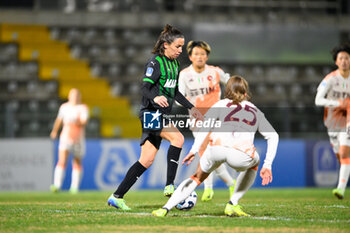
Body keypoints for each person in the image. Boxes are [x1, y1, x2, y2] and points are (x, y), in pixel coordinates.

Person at [152, 75, 279, 217]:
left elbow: (204, 128)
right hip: (240, 154)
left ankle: (165, 208)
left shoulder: (220, 104)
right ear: (245, 93)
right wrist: (268, 165)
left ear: (227, 91)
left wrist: (194, 150)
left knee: (196, 178)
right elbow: (273, 136)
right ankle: (233, 203)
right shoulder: (254, 109)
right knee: (255, 162)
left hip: (215, 150)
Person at [107, 24, 203, 210]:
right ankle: (169, 185)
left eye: (182, 47)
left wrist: (192, 108)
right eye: (177, 46)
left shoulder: (175, 64)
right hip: (150, 113)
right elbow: (144, 87)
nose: (180, 50)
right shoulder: (155, 62)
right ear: (166, 45)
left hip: (160, 113)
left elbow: (174, 92)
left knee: (147, 159)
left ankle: (116, 196)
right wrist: (156, 96)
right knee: (178, 138)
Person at [178, 40, 237, 201]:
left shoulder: (215, 72)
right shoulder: (184, 75)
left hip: (217, 118)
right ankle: (230, 184)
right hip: (197, 120)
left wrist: (234, 97)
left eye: (203, 54)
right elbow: (178, 97)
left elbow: (232, 83)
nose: (199, 57)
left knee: (211, 153)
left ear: (207, 57)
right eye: (196, 54)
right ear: (190, 56)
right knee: (208, 154)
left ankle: (209, 188)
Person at [315, 43, 350, 199]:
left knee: (344, 153)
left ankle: (340, 189)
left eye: (347, 58)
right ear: (336, 61)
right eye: (341, 58)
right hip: (332, 122)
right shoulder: (329, 79)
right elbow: (318, 100)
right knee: (340, 156)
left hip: (347, 121)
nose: (344, 61)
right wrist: (337, 104)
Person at [50, 88, 89, 194]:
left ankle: (74, 187)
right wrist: (54, 131)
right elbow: (59, 120)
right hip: (65, 138)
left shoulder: (83, 108)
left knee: (76, 162)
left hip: (78, 139)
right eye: (73, 95)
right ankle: (57, 185)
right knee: (62, 161)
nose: (75, 97)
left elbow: (84, 121)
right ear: (69, 96)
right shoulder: (64, 107)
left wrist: (76, 122)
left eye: (77, 95)